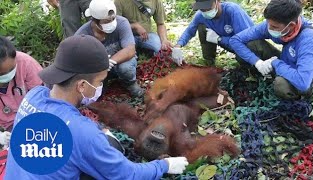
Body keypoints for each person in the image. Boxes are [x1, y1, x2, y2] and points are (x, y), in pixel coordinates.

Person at [5, 35, 189, 179]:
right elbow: (128, 175)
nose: (99, 87)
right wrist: (165, 166)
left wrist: (95, 132)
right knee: (110, 152)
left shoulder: (33, 95)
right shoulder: (82, 133)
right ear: (82, 86)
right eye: (100, 81)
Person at [230, 0, 313, 100]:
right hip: (286, 62)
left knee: (281, 85)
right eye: (268, 23)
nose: (269, 28)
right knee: (251, 45)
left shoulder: (309, 38)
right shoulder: (272, 24)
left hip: (310, 77)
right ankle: (266, 75)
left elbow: (303, 82)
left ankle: (296, 96)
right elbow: (235, 40)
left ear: (291, 26)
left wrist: (275, 63)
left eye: (274, 27)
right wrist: (257, 62)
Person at [172, 0, 280, 66]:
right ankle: (209, 60)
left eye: (208, 8)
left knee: (245, 51)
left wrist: (220, 39)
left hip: (247, 46)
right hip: (225, 42)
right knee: (202, 27)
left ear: (217, 1)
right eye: (202, 9)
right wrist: (178, 46)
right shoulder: (201, 15)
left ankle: (252, 68)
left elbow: (244, 41)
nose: (205, 12)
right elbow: (190, 30)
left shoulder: (232, 11)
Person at [75, 0, 144, 98]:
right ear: (95, 20)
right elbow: (79, 61)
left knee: (126, 68)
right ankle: (102, 84)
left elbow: (130, 50)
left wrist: (110, 61)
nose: (112, 23)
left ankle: (130, 83)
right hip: (97, 68)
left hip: (120, 62)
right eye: (107, 21)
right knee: (96, 95)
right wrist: (101, 65)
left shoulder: (122, 22)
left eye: (113, 19)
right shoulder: (82, 35)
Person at [0, 36, 43, 132]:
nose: (8, 75)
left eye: (12, 69)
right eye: (2, 74)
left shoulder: (26, 63)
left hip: (31, 121)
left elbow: (41, 98)